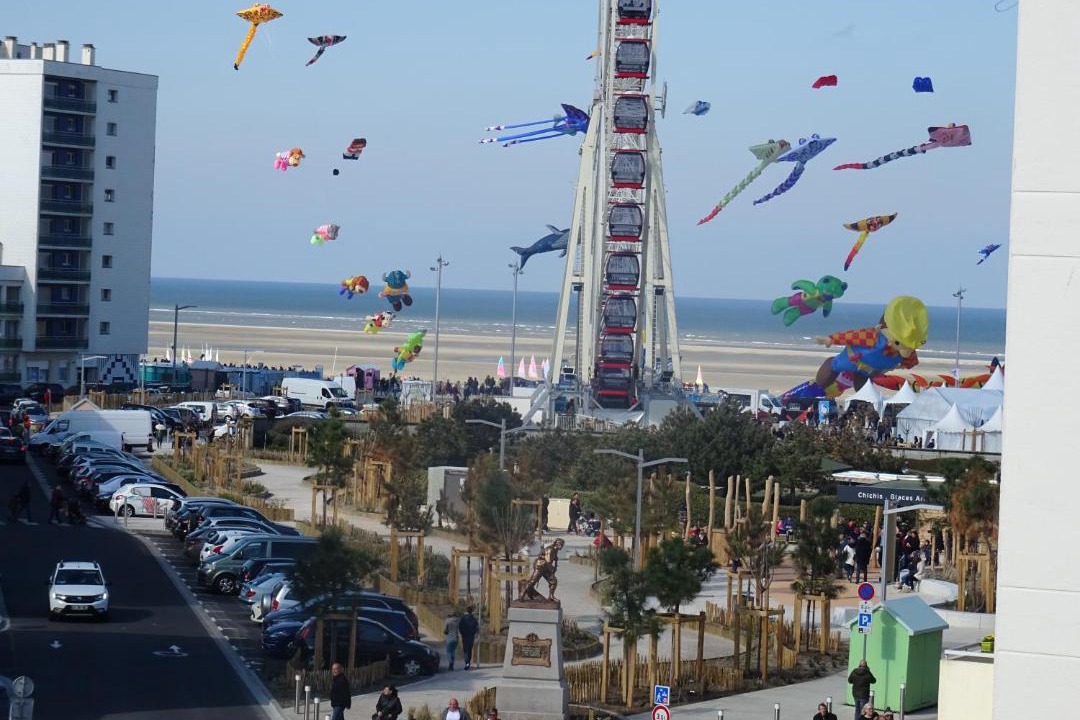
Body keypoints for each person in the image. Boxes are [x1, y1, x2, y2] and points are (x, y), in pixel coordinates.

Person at [458, 605, 479, 670]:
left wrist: (462, 633)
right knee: (469, 650)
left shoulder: (463, 618)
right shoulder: (474, 619)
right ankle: (468, 663)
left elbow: (460, 627)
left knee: (465, 650)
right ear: (471, 611)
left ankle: (466, 662)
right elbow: (476, 628)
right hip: (471, 636)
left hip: (465, 636)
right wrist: (475, 633)